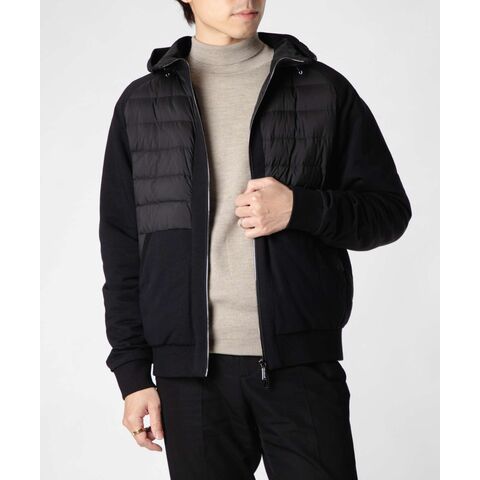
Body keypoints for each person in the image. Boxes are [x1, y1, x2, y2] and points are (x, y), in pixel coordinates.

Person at [98, 1, 412, 478]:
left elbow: (388, 212)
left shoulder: (321, 89)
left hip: (300, 364)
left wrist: (301, 208)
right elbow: (122, 250)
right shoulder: (142, 104)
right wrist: (133, 375)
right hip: (190, 376)